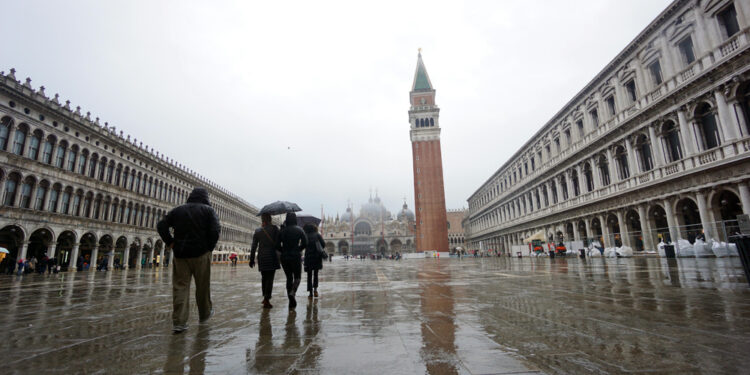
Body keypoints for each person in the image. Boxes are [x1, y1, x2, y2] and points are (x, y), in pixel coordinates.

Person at [157, 187, 221, 334]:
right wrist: (209, 247)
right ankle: (204, 315)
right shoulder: (208, 210)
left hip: (181, 255)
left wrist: (171, 242)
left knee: (180, 287)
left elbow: (161, 225)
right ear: (205, 198)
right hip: (201, 254)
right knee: (202, 286)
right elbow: (216, 230)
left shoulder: (177, 210)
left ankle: (179, 322)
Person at [249, 213, 280, 309]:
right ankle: (267, 299)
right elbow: (278, 243)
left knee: (264, 277)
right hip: (272, 256)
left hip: (262, 256)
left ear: (262, 220)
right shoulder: (275, 229)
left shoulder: (258, 231)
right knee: (270, 279)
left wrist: (251, 259)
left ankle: (265, 297)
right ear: (270, 219)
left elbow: (253, 246)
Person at [278, 212, 307, 309]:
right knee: (297, 277)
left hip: (285, 257)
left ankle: (291, 301)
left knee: (289, 278)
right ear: (295, 219)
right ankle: (293, 292)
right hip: (295, 256)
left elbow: (277, 245)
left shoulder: (282, 231)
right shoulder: (299, 230)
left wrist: (284, 250)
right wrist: (298, 249)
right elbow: (305, 243)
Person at [303, 224, 326, 299]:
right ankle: (315, 290)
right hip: (317, 257)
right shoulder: (317, 235)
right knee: (315, 274)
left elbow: (303, 245)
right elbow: (323, 244)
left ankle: (310, 293)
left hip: (308, 257)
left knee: (309, 275)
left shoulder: (305, 235)